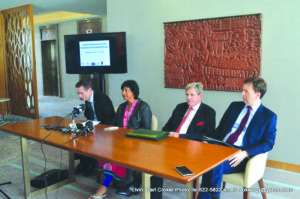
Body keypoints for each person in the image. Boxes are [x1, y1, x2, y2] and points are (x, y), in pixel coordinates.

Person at [197, 77, 277, 199]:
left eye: (246, 91)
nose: (242, 94)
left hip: (240, 154)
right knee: (201, 152)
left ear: (257, 95)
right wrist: (209, 141)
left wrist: (245, 153)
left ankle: (212, 195)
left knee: (214, 162)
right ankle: (213, 194)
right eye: (242, 90)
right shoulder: (234, 106)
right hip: (221, 147)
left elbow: (268, 143)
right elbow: (220, 129)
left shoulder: (269, 116)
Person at [89, 80, 152, 199]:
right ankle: (111, 178)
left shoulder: (143, 107)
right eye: (122, 90)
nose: (123, 93)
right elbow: (113, 125)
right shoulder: (122, 106)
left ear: (134, 91)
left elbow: (146, 130)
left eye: (126, 90)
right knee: (102, 149)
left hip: (135, 144)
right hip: (119, 141)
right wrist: (104, 131)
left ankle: (104, 187)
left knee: (115, 155)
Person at [152, 82, 216, 199]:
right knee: (153, 163)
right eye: (187, 94)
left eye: (192, 95)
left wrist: (180, 136)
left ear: (200, 96)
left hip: (190, 149)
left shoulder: (209, 113)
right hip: (170, 144)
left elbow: (206, 136)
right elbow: (166, 127)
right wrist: (167, 134)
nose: (188, 98)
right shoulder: (180, 107)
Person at [75, 80, 115, 177]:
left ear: (89, 90)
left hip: (107, 129)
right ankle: (84, 162)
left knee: (90, 138)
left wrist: (96, 128)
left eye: (81, 93)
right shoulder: (87, 99)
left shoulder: (102, 99)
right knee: (78, 136)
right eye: (78, 94)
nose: (80, 96)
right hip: (95, 126)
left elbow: (109, 120)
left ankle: (92, 165)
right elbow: (88, 115)